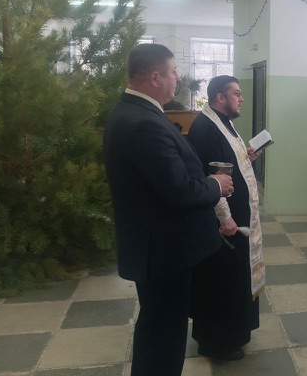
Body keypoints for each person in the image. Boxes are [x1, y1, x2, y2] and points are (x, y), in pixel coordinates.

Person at [103, 44, 234, 376]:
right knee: (163, 334)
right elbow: (179, 191)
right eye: (174, 71)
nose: (178, 78)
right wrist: (216, 184)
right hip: (163, 250)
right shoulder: (142, 123)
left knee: (159, 328)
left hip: (158, 245)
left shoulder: (135, 112)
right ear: (155, 77)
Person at [187, 75, 265, 361]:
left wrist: (244, 155)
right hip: (225, 225)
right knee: (220, 281)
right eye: (236, 93)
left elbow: (226, 162)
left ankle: (233, 335)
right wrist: (225, 219)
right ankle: (217, 343)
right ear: (220, 97)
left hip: (236, 221)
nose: (241, 98)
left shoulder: (222, 122)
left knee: (234, 279)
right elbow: (209, 178)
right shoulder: (205, 129)